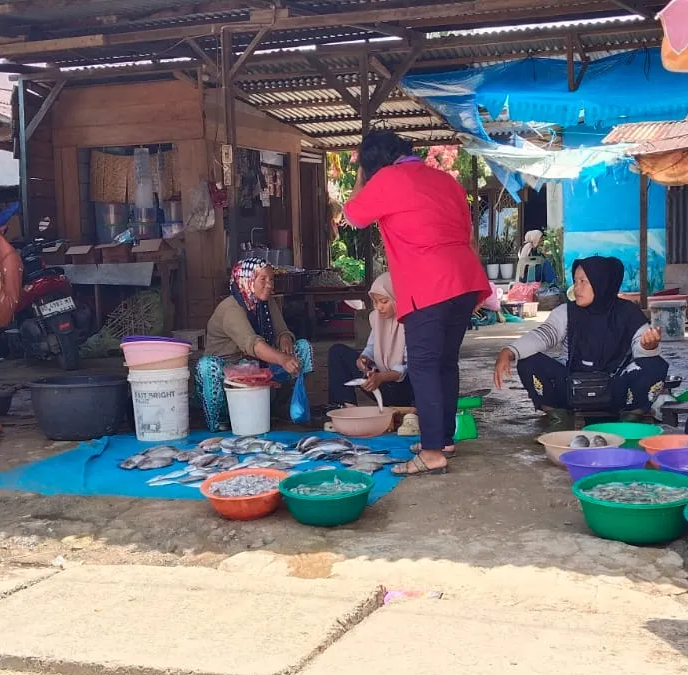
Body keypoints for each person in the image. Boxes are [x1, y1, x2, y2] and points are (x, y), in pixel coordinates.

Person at [343, 131, 490, 477]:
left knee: (424, 365)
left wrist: (363, 178)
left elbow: (352, 216)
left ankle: (433, 452)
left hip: (429, 284)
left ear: (372, 164)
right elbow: (466, 233)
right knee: (445, 363)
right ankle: (443, 439)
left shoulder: (387, 179)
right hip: (464, 280)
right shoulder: (444, 180)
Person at [492, 256, 665, 426]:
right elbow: (542, 335)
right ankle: (556, 414)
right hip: (571, 389)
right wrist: (509, 351)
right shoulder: (565, 312)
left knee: (655, 365)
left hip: (615, 390)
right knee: (527, 360)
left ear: (601, 283)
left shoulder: (628, 313)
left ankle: (632, 415)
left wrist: (648, 347)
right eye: (575, 281)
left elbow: (642, 348)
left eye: (583, 282)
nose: (577, 288)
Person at [196, 258, 314, 431]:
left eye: (272, 280)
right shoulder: (231, 308)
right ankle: (220, 419)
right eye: (263, 280)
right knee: (207, 366)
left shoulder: (265, 302)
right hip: (230, 377)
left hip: (257, 368)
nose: (269, 285)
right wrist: (282, 359)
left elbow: (282, 329)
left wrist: (285, 338)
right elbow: (253, 345)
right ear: (247, 280)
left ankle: (278, 405)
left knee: (302, 348)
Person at [327, 273, 413, 409]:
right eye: (375, 302)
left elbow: (409, 367)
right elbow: (371, 347)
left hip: (404, 390)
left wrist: (381, 377)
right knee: (337, 352)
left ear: (397, 299)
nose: (379, 307)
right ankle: (347, 406)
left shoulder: (411, 323)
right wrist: (364, 358)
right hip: (381, 381)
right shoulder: (377, 319)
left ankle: (412, 412)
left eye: (384, 301)